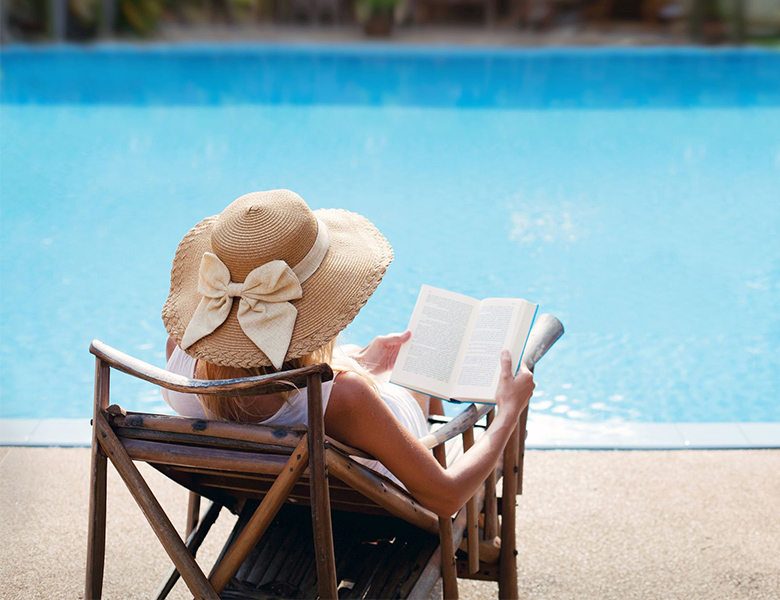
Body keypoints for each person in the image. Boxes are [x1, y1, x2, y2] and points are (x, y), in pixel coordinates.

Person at [161, 189, 535, 518]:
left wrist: (363, 359)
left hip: (276, 504)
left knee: (400, 367)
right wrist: (507, 413)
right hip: (371, 508)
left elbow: (278, 382)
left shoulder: (181, 356)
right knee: (418, 373)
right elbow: (446, 496)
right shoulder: (346, 397)